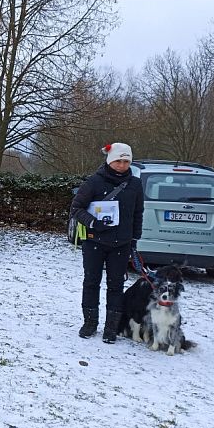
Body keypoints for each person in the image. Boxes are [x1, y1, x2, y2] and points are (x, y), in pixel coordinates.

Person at [70, 142, 144, 343]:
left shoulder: (135, 185)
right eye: (118, 161)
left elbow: (138, 213)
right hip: (95, 241)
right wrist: (93, 222)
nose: (122, 165)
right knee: (92, 282)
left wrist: (134, 239)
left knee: (116, 285)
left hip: (121, 244)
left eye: (126, 161)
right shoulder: (94, 182)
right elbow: (76, 208)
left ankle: (111, 328)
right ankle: (90, 323)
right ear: (110, 160)